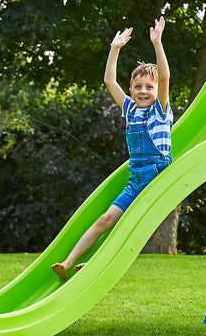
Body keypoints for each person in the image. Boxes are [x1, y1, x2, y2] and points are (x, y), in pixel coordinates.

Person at [52, 18, 172, 280]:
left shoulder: (160, 110)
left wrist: (157, 43)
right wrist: (114, 48)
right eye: (137, 87)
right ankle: (68, 261)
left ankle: (96, 262)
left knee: (126, 226)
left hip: (157, 174)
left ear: (157, 91)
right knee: (106, 219)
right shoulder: (128, 108)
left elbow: (164, 76)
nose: (143, 91)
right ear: (130, 90)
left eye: (148, 87)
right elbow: (109, 80)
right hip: (137, 176)